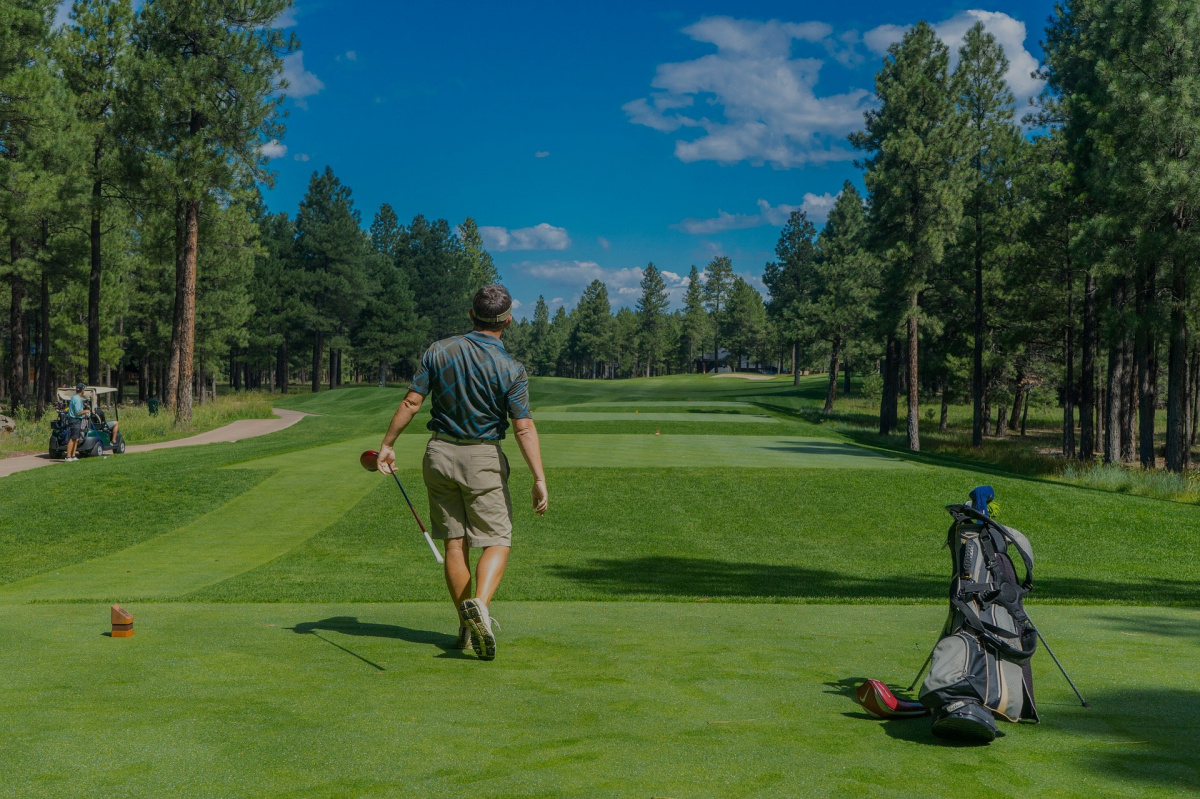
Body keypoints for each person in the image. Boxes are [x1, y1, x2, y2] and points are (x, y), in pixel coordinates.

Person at [376, 285, 547, 661]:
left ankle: (467, 627)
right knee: (497, 540)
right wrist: (539, 477)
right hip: (482, 456)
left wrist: (388, 444)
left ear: (471, 314)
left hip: (438, 454)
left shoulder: (438, 350)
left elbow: (411, 401)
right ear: (509, 320)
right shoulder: (513, 368)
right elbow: (522, 427)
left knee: (456, 543)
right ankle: (480, 608)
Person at [64, 383, 91, 462]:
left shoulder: (76, 397)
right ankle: (68, 456)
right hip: (74, 420)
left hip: (77, 420)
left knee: (76, 438)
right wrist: (86, 411)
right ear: (82, 390)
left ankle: (73, 455)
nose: (84, 390)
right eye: (84, 389)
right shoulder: (77, 399)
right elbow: (77, 412)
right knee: (73, 438)